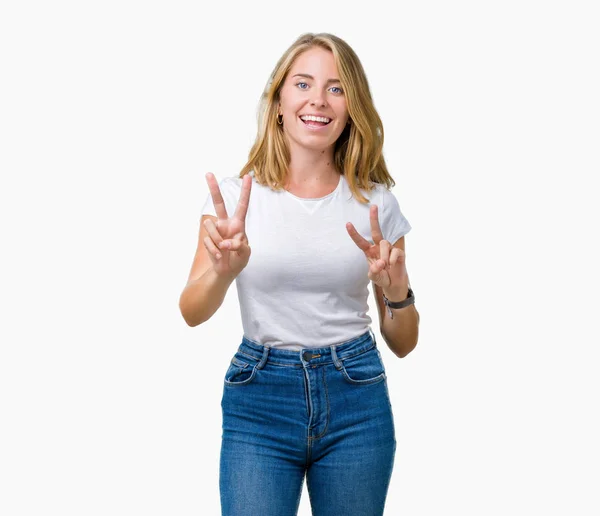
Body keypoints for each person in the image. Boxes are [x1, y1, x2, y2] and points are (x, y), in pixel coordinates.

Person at [179, 32, 420, 516]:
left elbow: (404, 341)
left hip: (357, 398)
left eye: (336, 88)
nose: (318, 100)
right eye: (303, 83)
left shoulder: (377, 205)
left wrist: (396, 293)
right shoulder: (233, 201)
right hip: (260, 401)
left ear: (352, 107)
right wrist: (223, 273)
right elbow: (192, 311)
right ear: (279, 102)